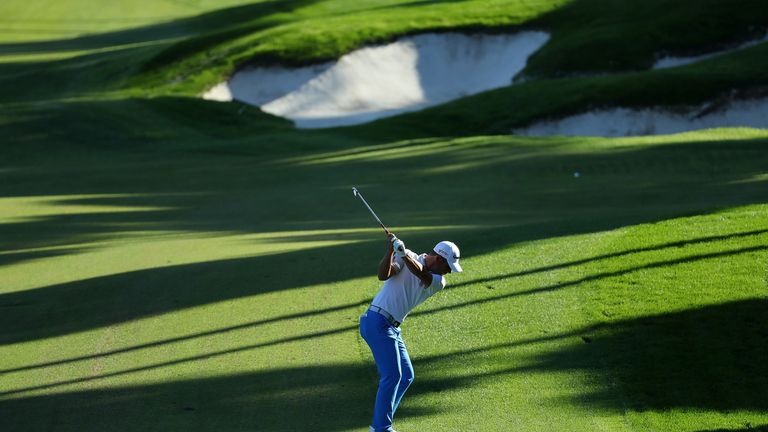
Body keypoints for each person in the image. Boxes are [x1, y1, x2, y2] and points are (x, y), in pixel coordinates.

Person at [360, 233, 463, 432]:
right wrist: (391, 250)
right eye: (448, 266)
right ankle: (381, 428)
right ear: (440, 259)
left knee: (406, 375)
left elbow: (422, 275)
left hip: (391, 327)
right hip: (376, 321)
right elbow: (383, 275)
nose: (449, 271)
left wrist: (403, 254)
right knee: (392, 375)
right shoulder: (407, 256)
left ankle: (381, 423)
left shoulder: (438, 281)